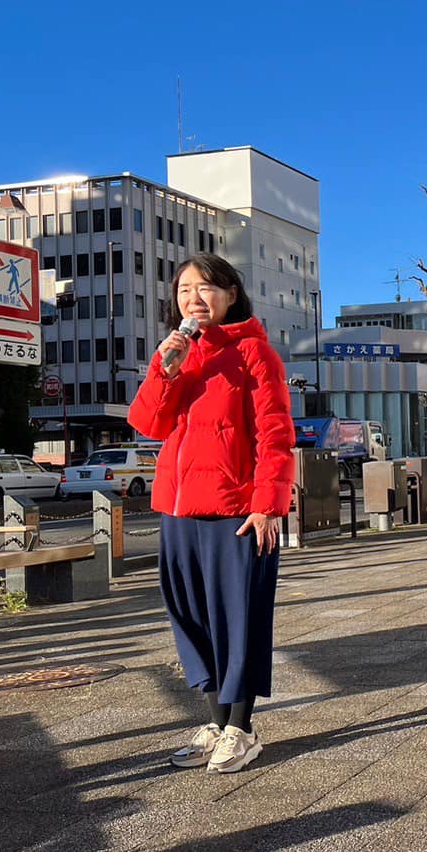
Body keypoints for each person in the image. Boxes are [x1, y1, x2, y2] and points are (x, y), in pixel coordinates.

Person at [128, 253, 294, 774]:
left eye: (205, 288)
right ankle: (217, 724)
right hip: (178, 510)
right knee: (191, 619)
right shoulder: (179, 354)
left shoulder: (254, 353)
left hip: (236, 514)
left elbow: (276, 436)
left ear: (230, 295)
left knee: (236, 621)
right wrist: (164, 370)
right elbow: (148, 424)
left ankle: (242, 729)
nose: (193, 299)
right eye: (183, 290)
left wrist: (269, 505)